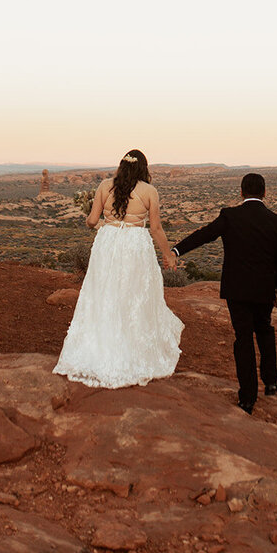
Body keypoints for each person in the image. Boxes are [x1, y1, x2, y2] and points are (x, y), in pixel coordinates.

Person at [53, 150, 183, 389]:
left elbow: (91, 221)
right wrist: (168, 255)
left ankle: (100, 347)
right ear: (143, 168)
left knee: (103, 292)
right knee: (133, 295)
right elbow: (156, 228)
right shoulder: (149, 191)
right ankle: (132, 349)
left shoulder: (104, 186)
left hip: (108, 242)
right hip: (134, 245)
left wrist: (104, 223)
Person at [171, 172, 277, 415]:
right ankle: (271, 382)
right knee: (265, 330)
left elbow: (204, 235)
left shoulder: (230, 216)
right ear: (264, 193)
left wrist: (177, 250)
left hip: (237, 289)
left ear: (242, 192)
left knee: (243, 339)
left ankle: (247, 398)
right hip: (264, 290)